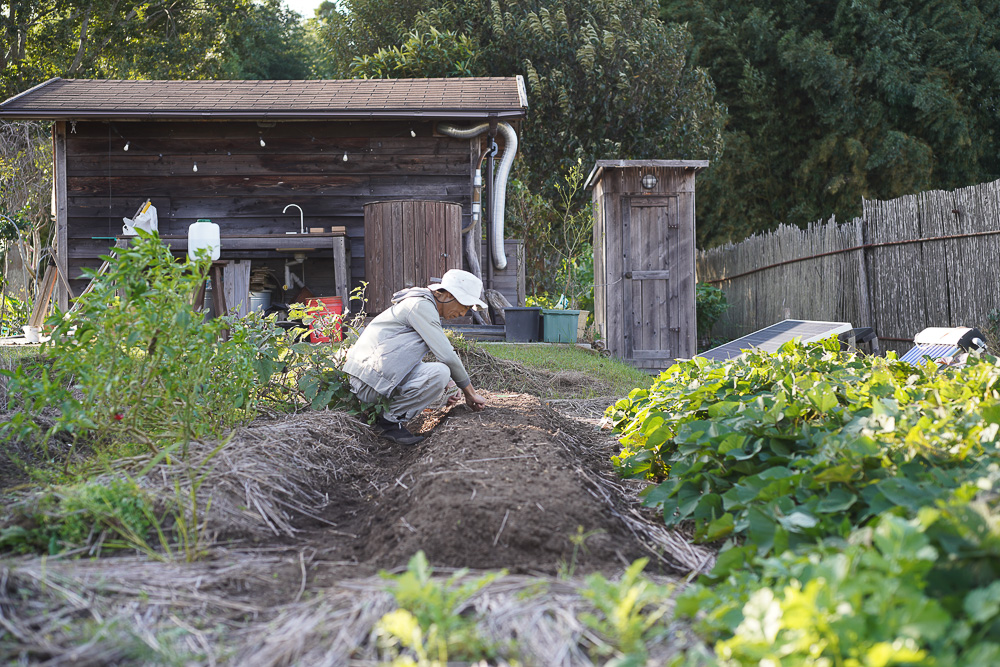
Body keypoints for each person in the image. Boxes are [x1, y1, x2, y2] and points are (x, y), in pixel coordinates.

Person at [343, 269, 489, 445]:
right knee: (441, 372)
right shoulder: (421, 306)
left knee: (441, 376)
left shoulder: (421, 305)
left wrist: (449, 383)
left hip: (373, 378)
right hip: (368, 383)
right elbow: (447, 356)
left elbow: (399, 354)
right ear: (447, 295)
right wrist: (470, 394)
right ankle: (387, 423)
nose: (463, 313)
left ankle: (385, 418)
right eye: (464, 306)